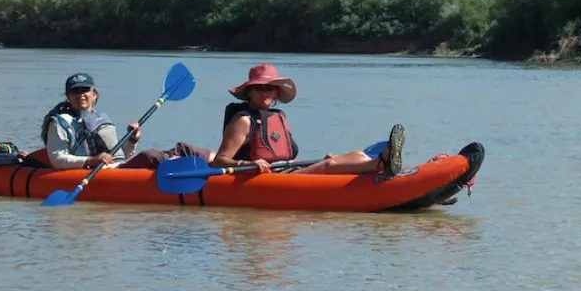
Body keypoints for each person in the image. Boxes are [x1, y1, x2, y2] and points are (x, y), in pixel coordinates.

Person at [209, 63, 406, 176]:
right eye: (259, 88)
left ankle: (386, 165)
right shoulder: (243, 121)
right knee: (329, 166)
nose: (265, 92)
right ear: (250, 92)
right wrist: (248, 164)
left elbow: (284, 157)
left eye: (270, 88)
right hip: (261, 178)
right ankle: (380, 164)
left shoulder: (278, 117)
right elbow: (219, 161)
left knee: (350, 155)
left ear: (276, 92)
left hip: (284, 170)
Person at [40, 72, 213, 170]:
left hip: (116, 168)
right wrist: (91, 160)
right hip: (96, 172)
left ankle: (221, 161)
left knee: (183, 148)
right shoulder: (60, 123)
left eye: (85, 90)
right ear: (68, 96)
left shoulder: (99, 119)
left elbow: (120, 155)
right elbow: (57, 159)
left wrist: (132, 139)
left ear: (95, 94)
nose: (81, 95)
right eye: (75, 91)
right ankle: (190, 168)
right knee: (149, 156)